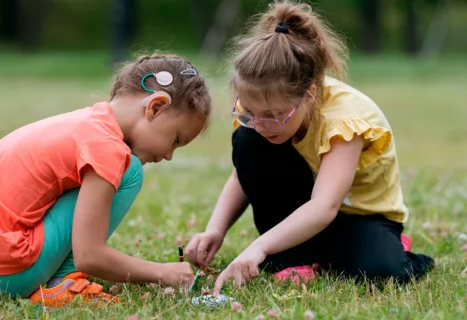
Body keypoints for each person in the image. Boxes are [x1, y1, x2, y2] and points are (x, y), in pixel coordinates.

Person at [185, 0, 434, 294]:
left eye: (274, 115)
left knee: (380, 273)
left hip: (359, 216)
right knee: (249, 140)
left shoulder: (344, 121)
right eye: (249, 112)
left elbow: (323, 207)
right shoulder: (258, 110)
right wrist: (216, 229)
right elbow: (248, 173)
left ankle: (385, 246)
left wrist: (260, 246)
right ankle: (293, 257)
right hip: (303, 209)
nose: (261, 122)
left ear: (309, 95)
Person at [0, 54, 211, 307]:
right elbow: (89, 256)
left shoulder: (87, 123)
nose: (169, 155)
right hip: (7, 273)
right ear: (155, 107)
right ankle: (62, 283)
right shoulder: (106, 146)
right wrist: (162, 273)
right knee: (131, 170)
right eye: (175, 140)